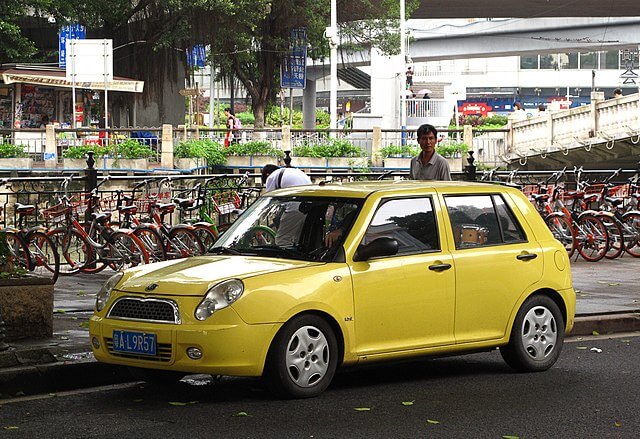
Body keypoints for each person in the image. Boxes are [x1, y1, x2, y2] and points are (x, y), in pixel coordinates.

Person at [261, 165, 312, 246]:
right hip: (310, 206)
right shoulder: (293, 171)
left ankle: (284, 256)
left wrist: (260, 216)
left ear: (267, 174)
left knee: (282, 239)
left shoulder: (271, 177)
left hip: (295, 207)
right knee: (298, 239)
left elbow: (270, 199)